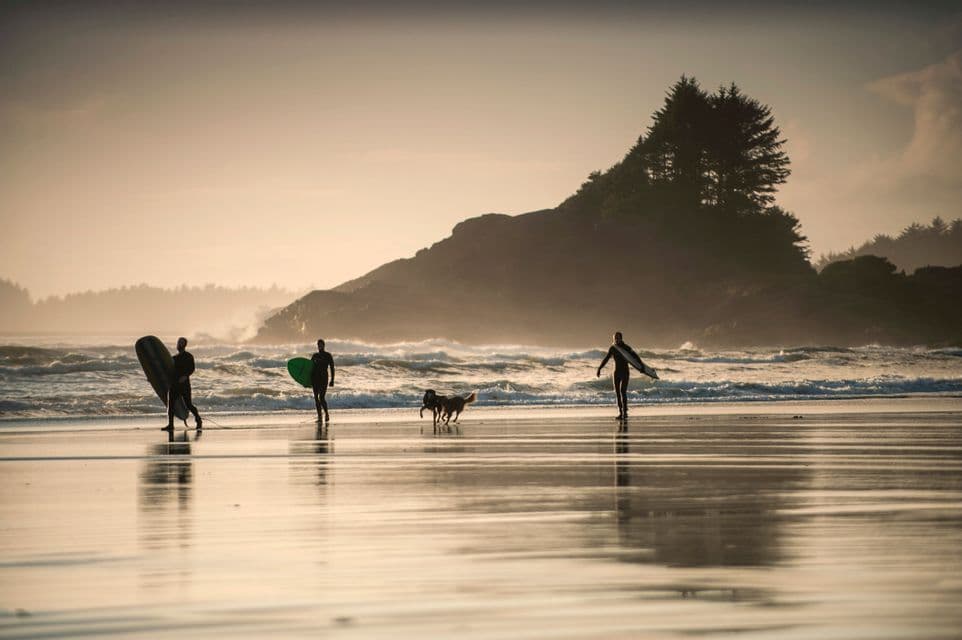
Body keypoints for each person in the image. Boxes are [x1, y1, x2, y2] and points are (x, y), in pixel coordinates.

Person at [596, 331, 642, 421]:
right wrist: (599, 368)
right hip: (616, 373)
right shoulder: (613, 348)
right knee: (617, 393)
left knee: (623, 391)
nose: (616, 339)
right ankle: (621, 412)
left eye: (618, 338)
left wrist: (641, 367)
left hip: (625, 372)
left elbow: (635, 356)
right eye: (615, 338)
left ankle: (625, 412)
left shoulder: (626, 347)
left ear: (621, 338)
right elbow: (606, 359)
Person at [166, 337, 202, 430]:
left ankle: (198, 420)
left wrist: (185, 376)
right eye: (178, 342)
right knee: (170, 405)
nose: (179, 344)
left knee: (188, 405)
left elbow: (192, 368)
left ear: (185, 345)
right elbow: (168, 371)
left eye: (181, 343)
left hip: (184, 385)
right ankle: (171, 425)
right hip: (174, 385)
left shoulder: (189, 356)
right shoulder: (174, 358)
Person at [311, 339, 336, 422]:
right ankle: (320, 417)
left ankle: (326, 414)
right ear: (317, 346)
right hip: (315, 379)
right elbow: (309, 368)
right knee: (316, 398)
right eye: (319, 345)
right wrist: (306, 381)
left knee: (321, 398)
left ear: (324, 345)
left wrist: (332, 380)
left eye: (321, 345)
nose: (320, 346)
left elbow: (332, 368)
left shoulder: (328, 355)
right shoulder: (315, 356)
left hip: (324, 378)